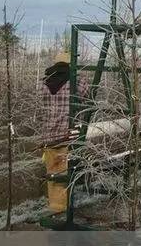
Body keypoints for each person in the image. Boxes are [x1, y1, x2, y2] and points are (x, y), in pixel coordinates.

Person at [40, 52, 88, 213]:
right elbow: (89, 100)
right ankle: (64, 209)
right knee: (66, 172)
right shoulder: (77, 81)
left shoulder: (44, 82)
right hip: (68, 136)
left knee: (53, 173)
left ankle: (55, 207)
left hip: (48, 136)